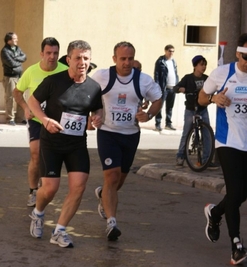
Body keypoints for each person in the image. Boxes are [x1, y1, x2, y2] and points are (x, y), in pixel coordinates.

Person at [28, 40, 103, 248]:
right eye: (78, 58)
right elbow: (32, 101)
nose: (82, 62)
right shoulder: (54, 81)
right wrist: (45, 120)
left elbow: (97, 110)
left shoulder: (94, 87)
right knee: (50, 189)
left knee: (78, 186)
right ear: (68, 59)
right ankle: (38, 212)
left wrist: (98, 118)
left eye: (86, 58)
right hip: (51, 143)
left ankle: (60, 230)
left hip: (76, 144)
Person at [92, 41, 162, 241]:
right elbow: (91, 96)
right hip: (108, 133)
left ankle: (103, 196)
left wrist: (148, 115)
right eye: (122, 58)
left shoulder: (143, 80)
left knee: (118, 181)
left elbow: (158, 99)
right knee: (112, 177)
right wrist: (95, 114)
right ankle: (111, 222)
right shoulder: (102, 76)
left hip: (131, 135)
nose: (127, 62)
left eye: (130, 58)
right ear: (114, 59)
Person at [199, 33, 247, 265]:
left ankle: (215, 213)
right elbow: (201, 98)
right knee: (235, 191)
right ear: (238, 53)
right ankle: (236, 244)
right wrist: (213, 100)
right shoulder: (223, 73)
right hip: (229, 142)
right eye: (245, 56)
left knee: (240, 194)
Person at [13, 38, 68, 207]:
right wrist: (26, 108)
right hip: (37, 119)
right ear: (41, 54)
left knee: (55, 155)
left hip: (58, 121)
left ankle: (47, 187)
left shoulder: (65, 70)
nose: (52, 57)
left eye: (55, 53)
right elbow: (17, 92)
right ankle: (33, 191)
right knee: (36, 153)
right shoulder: (31, 71)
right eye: (48, 53)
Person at [174, 55, 218, 168]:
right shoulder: (188, 78)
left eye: (205, 65)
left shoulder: (206, 79)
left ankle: (206, 159)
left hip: (202, 109)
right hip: (190, 109)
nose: (203, 67)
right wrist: (180, 89)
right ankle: (180, 156)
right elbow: (176, 87)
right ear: (195, 66)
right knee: (186, 132)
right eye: (201, 64)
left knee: (207, 134)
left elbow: (213, 88)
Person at [0, 32, 27, 126]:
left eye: (16, 38)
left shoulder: (17, 49)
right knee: (10, 98)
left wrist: (16, 58)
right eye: (14, 39)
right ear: (9, 41)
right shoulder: (4, 51)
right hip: (10, 77)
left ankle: (20, 118)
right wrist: (18, 62)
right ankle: (10, 118)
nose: (16, 40)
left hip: (19, 77)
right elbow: (11, 64)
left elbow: (24, 57)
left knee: (21, 97)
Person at [153, 44, 179, 131]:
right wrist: (157, 87)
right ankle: (158, 124)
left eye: (173, 51)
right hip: (163, 88)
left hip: (173, 87)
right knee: (159, 106)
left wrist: (177, 85)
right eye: (170, 51)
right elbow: (156, 75)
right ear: (165, 51)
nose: (171, 53)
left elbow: (176, 73)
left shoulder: (173, 61)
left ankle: (168, 124)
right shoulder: (160, 61)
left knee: (170, 107)